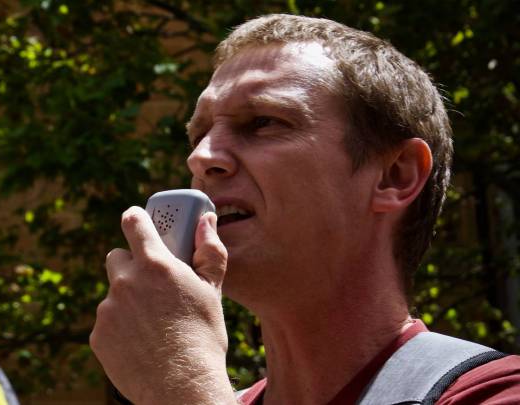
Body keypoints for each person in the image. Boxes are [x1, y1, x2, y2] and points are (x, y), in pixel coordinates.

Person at [89, 14, 520, 404]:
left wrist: (183, 387)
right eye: (199, 134)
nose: (201, 157)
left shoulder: (493, 392)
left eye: (263, 122)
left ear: (395, 176)